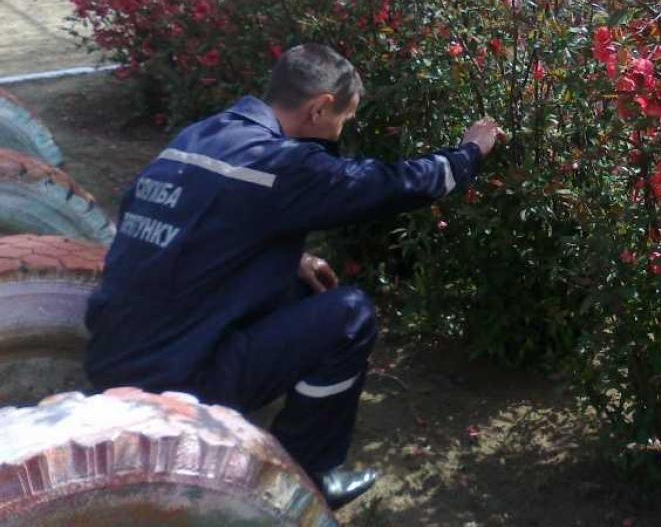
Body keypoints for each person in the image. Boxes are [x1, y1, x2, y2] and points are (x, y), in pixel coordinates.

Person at [84, 44, 500, 509]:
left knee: (301, 285)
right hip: (174, 377)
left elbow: (182, 221)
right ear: (319, 108)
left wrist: (289, 257)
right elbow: (393, 184)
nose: (342, 129)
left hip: (112, 354)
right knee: (350, 317)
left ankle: (243, 427)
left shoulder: (201, 135)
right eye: (344, 118)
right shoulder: (281, 165)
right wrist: (469, 153)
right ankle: (307, 480)